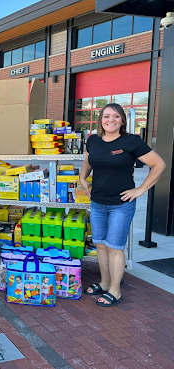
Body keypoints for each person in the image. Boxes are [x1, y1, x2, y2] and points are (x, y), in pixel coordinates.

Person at [80, 103, 165, 307]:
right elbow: (88, 161)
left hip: (121, 204)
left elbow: (159, 164)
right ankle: (105, 282)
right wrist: (82, 178)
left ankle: (116, 291)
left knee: (114, 247)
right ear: (101, 119)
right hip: (98, 203)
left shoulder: (132, 141)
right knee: (100, 245)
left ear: (122, 121)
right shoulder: (93, 141)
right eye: (107, 116)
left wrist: (140, 190)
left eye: (116, 116)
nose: (111, 120)